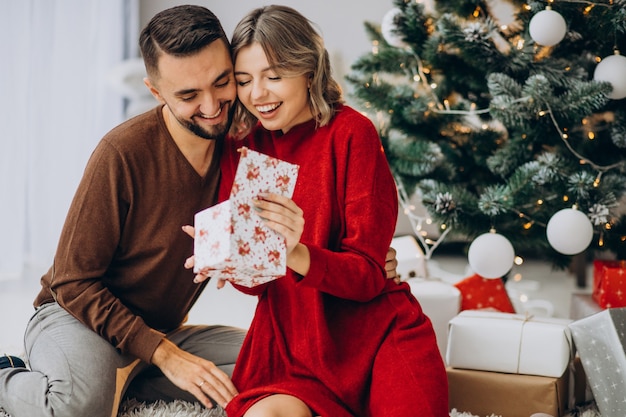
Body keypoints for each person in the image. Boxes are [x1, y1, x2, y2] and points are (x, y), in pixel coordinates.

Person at [0, 6, 399, 417]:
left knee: (286, 373)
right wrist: (165, 355)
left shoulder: (246, 145)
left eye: (223, 82)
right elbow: (72, 282)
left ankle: (128, 376)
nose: (212, 107)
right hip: (79, 319)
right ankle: (11, 375)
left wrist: (366, 253)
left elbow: (277, 247)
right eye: (188, 95)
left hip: (165, 329)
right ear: (157, 93)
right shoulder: (121, 153)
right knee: (79, 409)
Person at [189, 5, 449, 417]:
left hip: (379, 338)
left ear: (308, 71)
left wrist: (295, 252)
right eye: (244, 80)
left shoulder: (352, 134)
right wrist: (230, 258)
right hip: (293, 349)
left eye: (273, 76)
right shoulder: (246, 147)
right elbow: (257, 287)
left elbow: (368, 276)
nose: (258, 94)